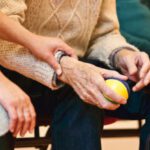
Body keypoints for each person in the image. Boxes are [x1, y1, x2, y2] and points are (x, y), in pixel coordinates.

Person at [0, 0, 150, 150]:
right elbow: (4, 41)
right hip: (17, 70)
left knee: (85, 87)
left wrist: (122, 54)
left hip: (77, 68)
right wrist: (66, 67)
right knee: (82, 91)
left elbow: (104, 33)